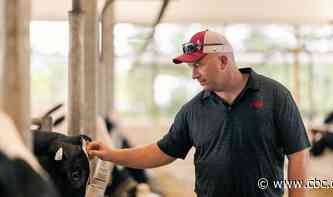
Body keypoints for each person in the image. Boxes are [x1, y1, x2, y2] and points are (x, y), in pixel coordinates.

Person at [87, 30, 310, 197]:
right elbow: (161, 152)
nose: (194, 75)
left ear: (223, 60)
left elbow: (298, 154)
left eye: (199, 65)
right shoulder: (193, 110)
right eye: (191, 68)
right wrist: (111, 154)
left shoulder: (275, 96)